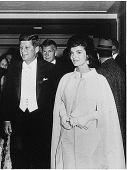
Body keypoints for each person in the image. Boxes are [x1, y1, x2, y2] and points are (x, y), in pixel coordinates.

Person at [51, 34, 125, 169]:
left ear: (88, 54)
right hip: (67, 140)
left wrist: (85, 118)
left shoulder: (99, 80)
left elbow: (106, 113)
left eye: (79, 52)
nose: (74, 56)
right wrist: (62, 116)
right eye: (72, 53)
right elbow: (60, 102)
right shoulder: (65, 79)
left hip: (90, 144)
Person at [1, 33, 58, 168]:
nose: (23, 51)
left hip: (42, 121)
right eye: (21, 48)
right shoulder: (13, 68)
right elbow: (7, 94)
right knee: (19, 158)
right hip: (19, 119)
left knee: (41, 158)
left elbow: (56, 96)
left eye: (27, 48)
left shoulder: (50, 69)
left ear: (37, 49)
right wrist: (7, 119)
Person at [96, 38, 126, 154]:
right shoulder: (120, 70)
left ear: (98, 55)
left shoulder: (100, 72)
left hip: (108, 124)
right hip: (121, 121)